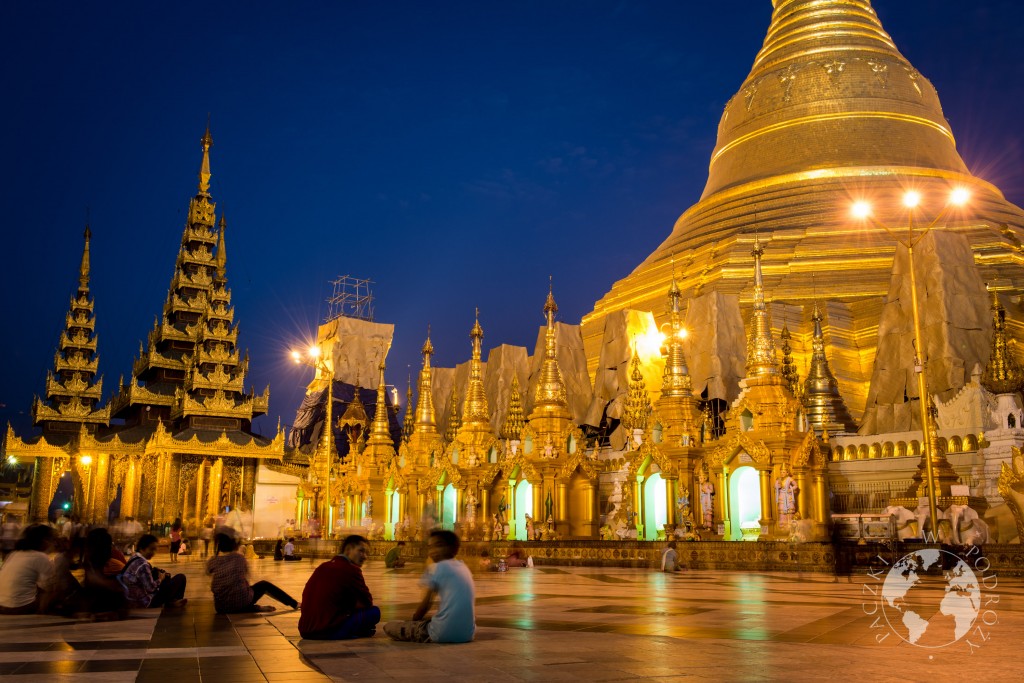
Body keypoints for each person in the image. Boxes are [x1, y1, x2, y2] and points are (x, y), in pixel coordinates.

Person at [383, 530, 476, 643]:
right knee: (432, 619)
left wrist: (414, 621)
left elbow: (425, 605)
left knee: (390, 627)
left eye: (439, 546)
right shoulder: (464, 567)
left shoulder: (437, 568)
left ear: (453, 548)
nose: (433, 551)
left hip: (442, 634)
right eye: (430, 547)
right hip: (468, 634)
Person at [298, 534, 380, 640]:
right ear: (348, 550)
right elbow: (367, 603)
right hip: (326, 631)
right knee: (374, 612)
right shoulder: (351, 569)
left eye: (366, 553)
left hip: (305, 630)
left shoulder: (323, 566)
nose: (365, 556)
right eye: (361, 551)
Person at [207, 533, 299, 614]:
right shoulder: (239, 558)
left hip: (221, 607)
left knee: (236, 594)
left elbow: (208, 573)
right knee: (264, 585)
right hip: (241, 602)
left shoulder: (213, 561)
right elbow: (247, 578)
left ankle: (253, 608)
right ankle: (294, 603)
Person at [121, 534, 188, 609]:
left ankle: (172, 601)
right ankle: (173, 602)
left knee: (166, 579)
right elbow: (151, 588)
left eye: (155, 549)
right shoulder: (142, 564)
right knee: (181, 577)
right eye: (151, 549)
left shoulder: (134, 557)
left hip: (132, 599)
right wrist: (160, 579)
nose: (153, 552)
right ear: (142, 548)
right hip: (145, 601)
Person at [0, 524, 55, 614]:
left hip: (1, 604)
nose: (53, 543)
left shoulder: (14, 553)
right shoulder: (41, 556)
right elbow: (49, 588)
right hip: (20, 606)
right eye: (51, 539)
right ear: (43, 541)